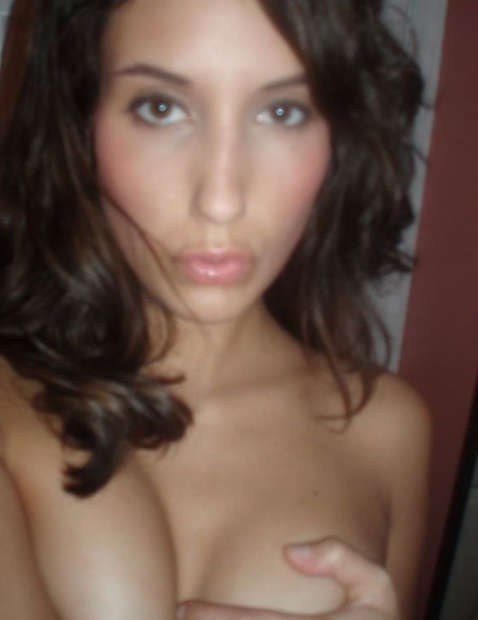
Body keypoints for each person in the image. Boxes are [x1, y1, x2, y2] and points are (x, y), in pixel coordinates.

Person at [0, 0, 430, 619]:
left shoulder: (390, 429)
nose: (221, 200)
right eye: (161, 107)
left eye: (282, 111)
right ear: (81, 118)